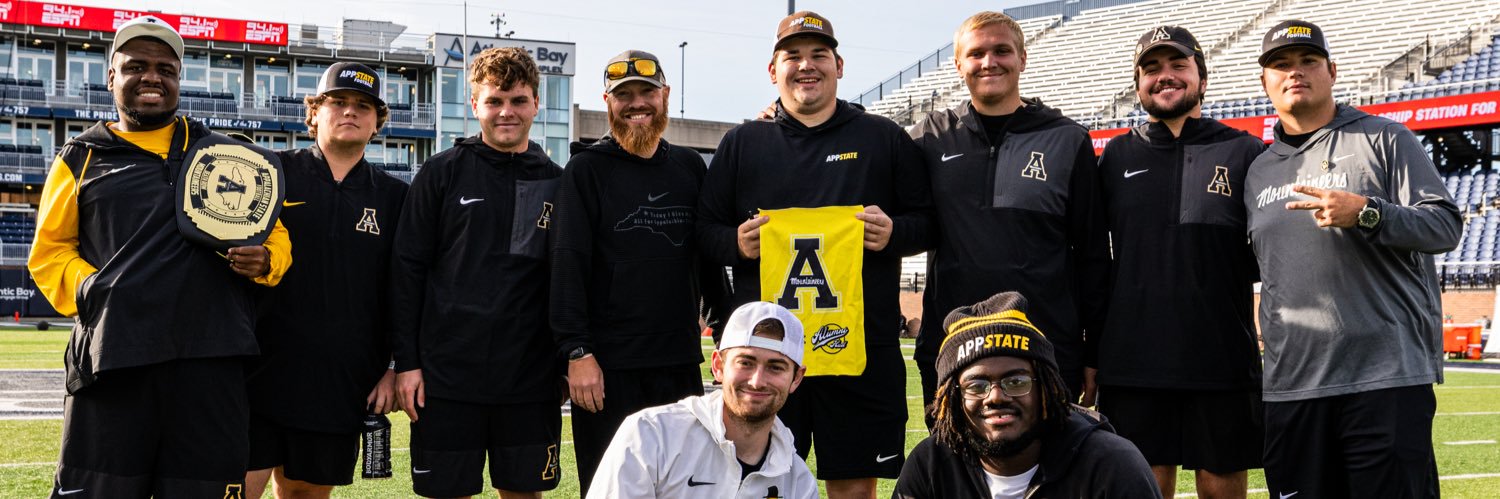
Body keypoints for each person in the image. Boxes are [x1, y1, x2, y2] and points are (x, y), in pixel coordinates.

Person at [27, 15, 291, 498]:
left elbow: (275, 236)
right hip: (113, 362)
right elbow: (49, 254)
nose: (152, 77)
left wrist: (266, 260)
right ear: (112, 76)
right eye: (136, 67)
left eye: (166, 69)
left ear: (178, 80)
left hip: (210, 364)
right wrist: (96, 290)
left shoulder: (224, 154)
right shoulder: (79, 156)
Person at [696, 11, 934, 498]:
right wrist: (735, 243)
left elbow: (929, 222)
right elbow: (703, 232)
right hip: (767, 356)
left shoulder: (881, 137)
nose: (806, 66)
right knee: (757, 485)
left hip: (859, 352)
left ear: (839, 65)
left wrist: (895, 233)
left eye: (818, 55)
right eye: (793, 56)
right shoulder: (744, 142)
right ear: (773, 70)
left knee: (853, 488)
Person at [1246, 20, 1461, 498]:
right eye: (1281, 65)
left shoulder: (1384, 138)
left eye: (1308, 61)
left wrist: (1367, 213)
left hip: (1383, 381)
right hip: (1291, 387)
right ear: (1265, 82)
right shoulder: (1257, 170)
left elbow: (1445, 226)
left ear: (1333, 72)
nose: (1295, 72)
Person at [1092, 26, 1265, 498]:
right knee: (1142, 488)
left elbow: (1264, 254)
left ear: (1202, 79)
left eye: (1177, 65)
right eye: (1151, 69)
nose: (1164, 76)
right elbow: (1092, 258)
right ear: (1138, 85)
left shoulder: (1245, 151)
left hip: (1222, 357)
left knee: (1221, 486)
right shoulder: (1114, 157)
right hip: (1133, 359)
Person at [907, 11, 1109, 413]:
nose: (989, 62)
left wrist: (1095, 351)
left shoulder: (1067, 139)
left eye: (1002, 51)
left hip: (1045, 346)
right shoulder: (929, 137)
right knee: (953, 454)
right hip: (952, 346)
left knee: (1049, 454)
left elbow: (1093, 256)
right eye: (976, 53)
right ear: (958, 64)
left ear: (1022, 58)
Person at [389, 47, 564, 499]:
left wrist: (567, 362)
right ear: (474, 105)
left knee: (524, 494)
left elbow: (569, 282)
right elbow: (406, 272)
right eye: (494, 101)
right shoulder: (441, 173)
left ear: (536, 103)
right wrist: (406, 363)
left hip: (530, 381)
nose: (507, 112)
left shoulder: (559, 181)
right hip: (446, 379)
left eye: (518, 100)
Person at [551, 49, 727, 494]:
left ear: (665, 95)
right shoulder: (586, 169)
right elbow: (567, 265)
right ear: (607, 102)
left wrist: (727, 337)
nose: (636, 104)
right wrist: (577, 352)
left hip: (678, 364)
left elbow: (708, 263)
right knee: (611, 488)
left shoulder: (689, 167)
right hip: (607, 371)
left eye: (646, 92)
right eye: (623, 95)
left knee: (684, 487)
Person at [243, 62, 409, 499]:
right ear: (314, 111)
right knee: (236, 489)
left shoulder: (396, 197)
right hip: (255, 372)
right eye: (338, 101)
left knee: (303, 494)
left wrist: (393, 367)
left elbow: (403, 291)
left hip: (341, 381)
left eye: (363, 106)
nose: (350, 111)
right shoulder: (271, 172)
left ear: (377, 122)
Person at [894, 292, 1159, 498]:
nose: (995, 397)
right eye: (976, 386)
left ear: (1045, 389)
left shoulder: (1111, 465)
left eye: (1016, 382)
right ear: (953, 398)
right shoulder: (930, 466)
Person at [586, 301, 817, 498]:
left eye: (775, 367)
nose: (757, 381)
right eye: (745, 363)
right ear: (718, 366)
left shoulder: (798, 483)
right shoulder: (650, 435)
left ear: (796, 378)